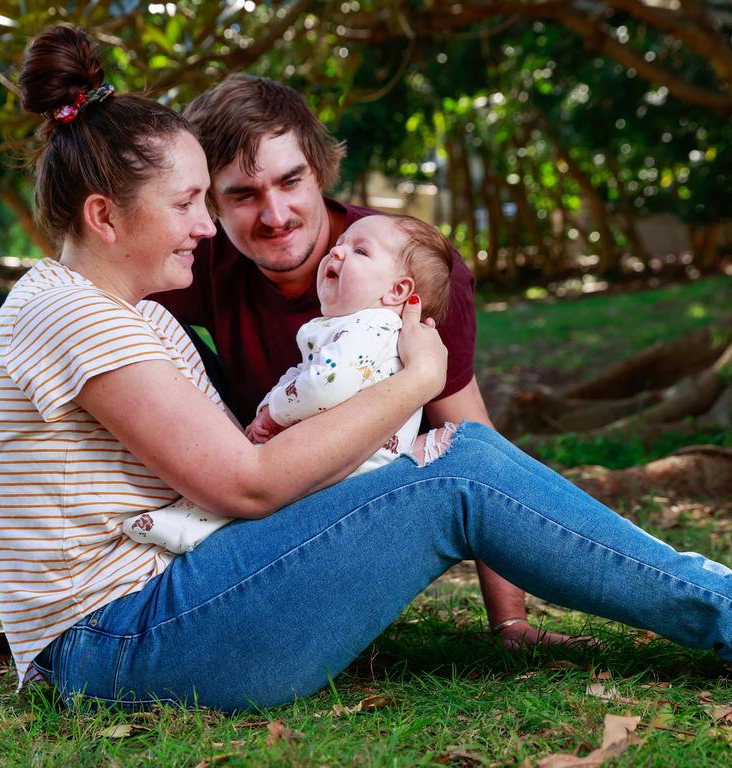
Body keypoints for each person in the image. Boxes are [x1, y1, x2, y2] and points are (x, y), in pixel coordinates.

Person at [0, 25, 732, 713]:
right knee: (459, 471)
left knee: (456, 460)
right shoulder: (73, 315)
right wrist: (413, 380)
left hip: (152, 615)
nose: (209, 228)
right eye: (194, 203)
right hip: (116, 648)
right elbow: (245, 487)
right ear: (105, 216)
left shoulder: (117, 307)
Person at [152, 74, 557, 647]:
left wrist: (509, 622)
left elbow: (469, 436)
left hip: (364, 506)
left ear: (318, 170)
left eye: (291, 180)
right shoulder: (200, 261)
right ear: (209, 205)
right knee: (146, 330)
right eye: (243, 195)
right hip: (245, 497)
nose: (275, 214)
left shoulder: (408, 265)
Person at [122, 214, 454, 553]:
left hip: (354, 470)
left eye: (360, 251)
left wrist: (274, 413)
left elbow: (327, 383)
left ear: (397, 290)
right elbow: (307, 375)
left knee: (252, 485)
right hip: (345, 458)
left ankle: (188, 527)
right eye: (339, 244)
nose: (336, 252)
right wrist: (273, 404)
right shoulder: (355, 326)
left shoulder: (374, 326)